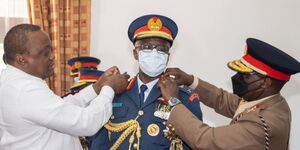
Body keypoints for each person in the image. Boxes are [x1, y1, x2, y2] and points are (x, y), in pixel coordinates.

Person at [0, 24, 129, 150]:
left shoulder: (12, 81)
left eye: (50, 50)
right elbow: (87, 123)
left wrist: (97, 87)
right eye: (44, 53)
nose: (52, 57)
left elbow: (60, 108)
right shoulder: (26, 90)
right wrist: (109, 88)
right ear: (21, 60)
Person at [156, 38, 300, 150]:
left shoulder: (263, 124)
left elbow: (205, 140)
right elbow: (223, 100)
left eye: (245, 75)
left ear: (265, 83)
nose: (237, 77)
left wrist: (174, 101)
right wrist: (190, 80)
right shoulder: (272, 102)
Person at [89, 14, 203, 150]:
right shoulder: (114, 93)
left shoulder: (184, 97)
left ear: (168, 56)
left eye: (161, 49)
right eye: (146, 47)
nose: (154, 53)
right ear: (135, 53)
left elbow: (196, 143)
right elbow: (99, 143)